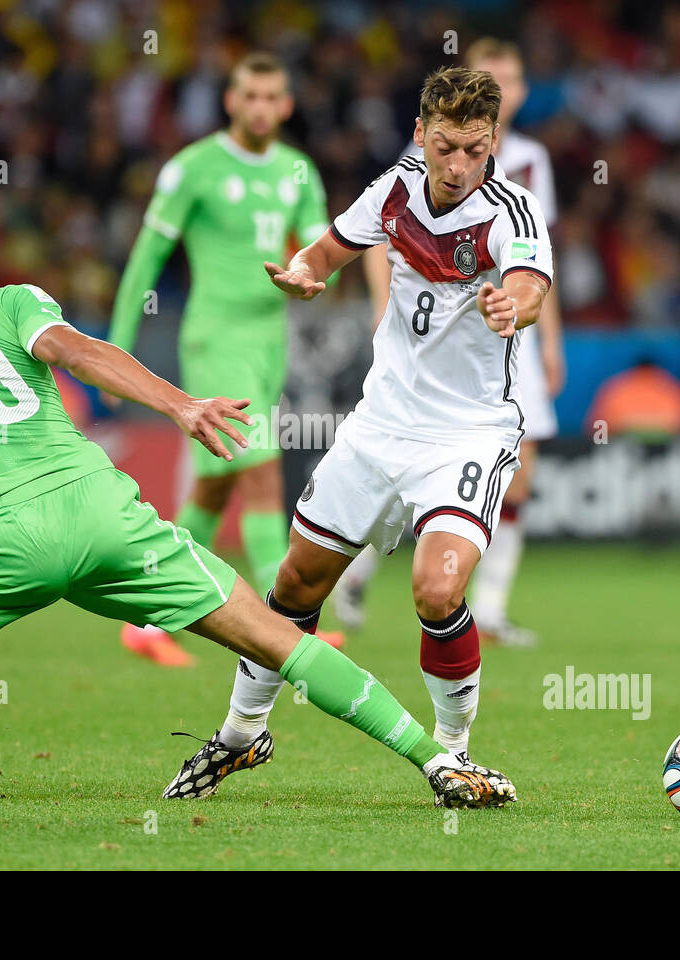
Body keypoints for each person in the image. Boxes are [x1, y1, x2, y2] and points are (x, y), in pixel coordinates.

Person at [0, 195, 516, 809]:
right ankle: (436, 761)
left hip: (2, 544)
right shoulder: (12, 304)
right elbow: (79, 354)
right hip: (106, 516)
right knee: (277, 637)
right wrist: (181, 406)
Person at [164, 66, 551, 800]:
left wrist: (515, 307)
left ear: (493, 141)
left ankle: (453, 753)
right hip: (380, 425)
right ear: (420, 136)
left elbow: (530, 283)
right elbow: (330, 247)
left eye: (474, 148)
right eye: (445, 147)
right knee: (294, 582)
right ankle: (242, 735)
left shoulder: (514, 211)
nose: (459, 164)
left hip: (468, 432)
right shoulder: (397, 187)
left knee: (437, 590)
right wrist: (307, 270)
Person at [107, 52, 342, 666]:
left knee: (213, 488)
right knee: (262, 473)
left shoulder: (298, 170)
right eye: (250, 95)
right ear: (231, 102)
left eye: (273, 97)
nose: (261, 107)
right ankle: (288, 625)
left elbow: (322, 254)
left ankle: (146, 620)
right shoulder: (193, 168)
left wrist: (308, 278)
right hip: (215, 338)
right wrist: (118, 348)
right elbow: (144, 260)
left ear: (286, 106)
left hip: (269, 342)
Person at [335, 38, 564, 650]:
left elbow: (541, 264)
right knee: (404, 476)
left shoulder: (531, 163)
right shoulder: (423, 159)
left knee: (518, 478)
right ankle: (355, 574)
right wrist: (383, 308)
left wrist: (548, 339)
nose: (506, 89)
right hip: (432, 337)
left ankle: (488, 609)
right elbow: (383, 237)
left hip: (510, 330)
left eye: (515, 79)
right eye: (496, 77)